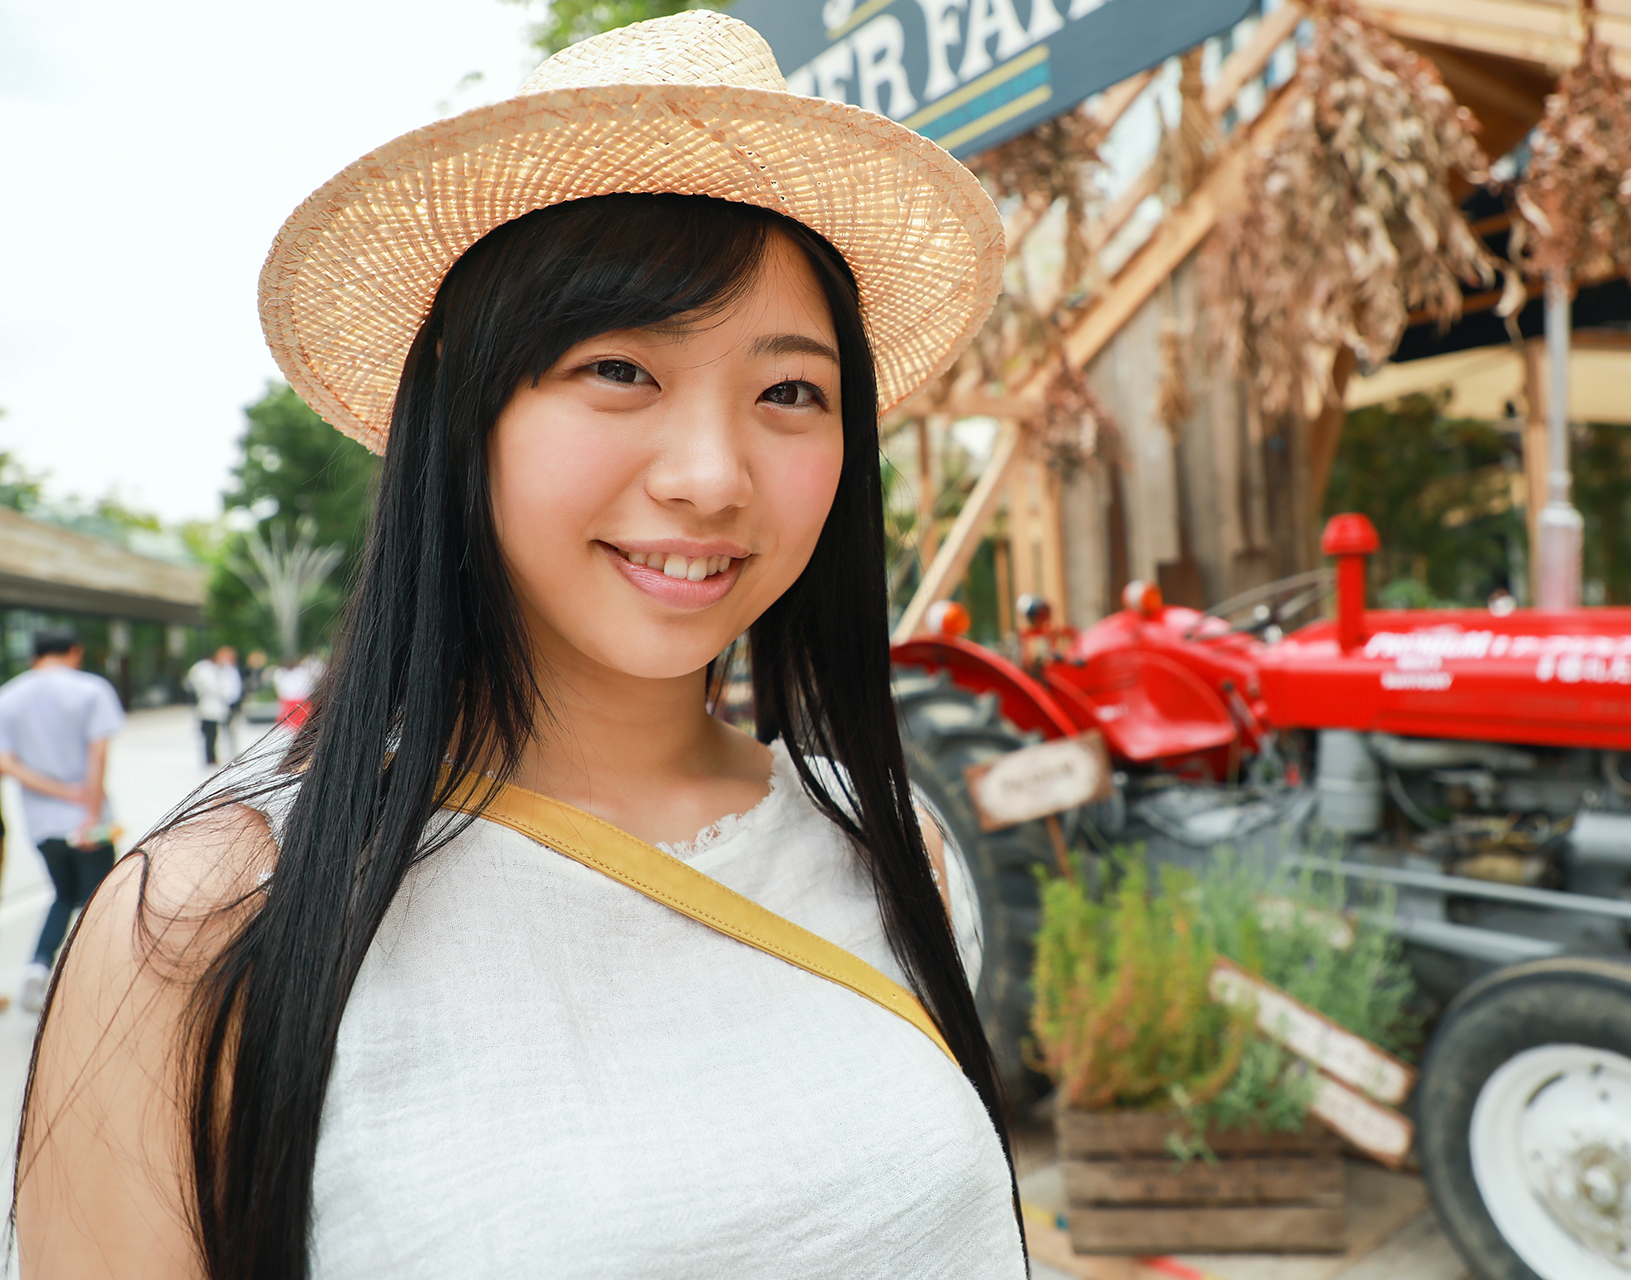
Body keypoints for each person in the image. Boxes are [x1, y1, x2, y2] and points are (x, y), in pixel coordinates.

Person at [18, 12, 1022, 1279]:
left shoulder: (897, 853)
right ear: (466, 409)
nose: (714, 477)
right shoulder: (203, 930)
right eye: (617, 368)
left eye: (788, 391)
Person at [0, 629, 124, 1013]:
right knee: (97, 901)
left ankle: (37, 968)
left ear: (34, 655)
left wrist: (55, 791)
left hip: (41, 823)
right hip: (88, 819)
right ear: (74, 651)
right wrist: (85, 807)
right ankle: (99, 983)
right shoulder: (91, 689)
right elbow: (98, 754)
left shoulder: (9, 696)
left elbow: (5, 763)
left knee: (63, 894)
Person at [184, 646, 242, 766]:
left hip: (220, 706)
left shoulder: (221, 669)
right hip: (210, 707)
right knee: (210, 734)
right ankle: (211, 758)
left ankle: (219, 755)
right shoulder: (205, 669)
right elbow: (214, 687)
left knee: (218, 733)